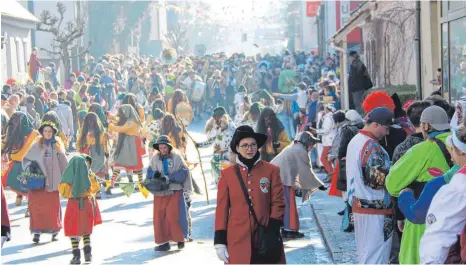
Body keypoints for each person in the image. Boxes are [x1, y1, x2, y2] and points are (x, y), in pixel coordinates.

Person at [386, 105, 452, 264]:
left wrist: (407, 193)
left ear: (426, 126)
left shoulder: (423, 149)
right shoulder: (458, 144)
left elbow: (392, 184)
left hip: (424, 222)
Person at [214, 125, 286, 264]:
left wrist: (273, 228)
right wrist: (220, 241)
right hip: (237, 238)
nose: (249, 149)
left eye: (253, 145)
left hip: (266, 234)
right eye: (245, 145)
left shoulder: (272, 170)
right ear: (237, 148)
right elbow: (221, 209)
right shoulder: (227, 175)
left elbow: (278, 202)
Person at [346, 107, 394, 264]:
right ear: (377, 125)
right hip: (376, 210)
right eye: (386, 128)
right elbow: (377, 181)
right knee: (377, 257)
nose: (387, 134)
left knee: (366, 255)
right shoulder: (372, 146)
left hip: (360, 205)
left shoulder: (356, 141)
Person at [419, 124, 466, 263]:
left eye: (451, 149)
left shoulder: (459, 186)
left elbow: (439, 233)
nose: (451, 157)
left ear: (462, 152)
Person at [271, 131, 325, 238]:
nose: (312, 147)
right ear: (307, 144)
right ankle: (290, 230)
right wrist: (319, 185)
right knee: (288, 204)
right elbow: (307, 172)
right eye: (312, 145)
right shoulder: (301, 151)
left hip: (277, 177)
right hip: (281, 178)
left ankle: (286, 228)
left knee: (283, 204)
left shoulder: (295, 147)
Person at [23, 121, 68, 243]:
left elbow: (64, 163)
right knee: (36, 207)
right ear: (42, 132)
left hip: (52, 183)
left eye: (50, 131)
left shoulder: (57, 146)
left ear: (53, 132)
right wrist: (30, 170)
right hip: (37, 183)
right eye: (45, 131)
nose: (47, 133)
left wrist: (68, 177)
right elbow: (26, 159)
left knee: (52, 207)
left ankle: (54, 230)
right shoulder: (36, 145)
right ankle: (36, 232)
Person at [150, 135, 193, 252]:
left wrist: (169, 178)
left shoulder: (177, 158)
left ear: (169, 147)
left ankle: (179, 240)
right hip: (160, 192)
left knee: (173, 215)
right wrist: (155, 175)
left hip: (174, 191)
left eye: (165, 148)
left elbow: (183, 173)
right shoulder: (154, 159)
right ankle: (164, 242)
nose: (163, 150)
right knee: (159, 218)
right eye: (160, 148)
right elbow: (150, 172)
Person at [58, 155, 100, 264]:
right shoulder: (89, 176)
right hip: (86, 204)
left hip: (73, 204)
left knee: (73, 230)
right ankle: (87, 253)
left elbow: (63, 192)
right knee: (85, 230)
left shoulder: (68, 178)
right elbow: (95, 188)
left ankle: (76, 256)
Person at [2, 112, 40, 207]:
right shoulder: (34, 133)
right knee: (29, 187)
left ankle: (19, 196)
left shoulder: (11, 133)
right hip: (28, 166)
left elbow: (3, 146)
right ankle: (28, 206)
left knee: (18, 184)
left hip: (15, 166)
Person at [196, 107, 236, 184]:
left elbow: (236, 144)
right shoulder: (215, 128)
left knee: (229, 182)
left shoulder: (232, 128)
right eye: (215, 117)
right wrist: (198, 145)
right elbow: (210, 141)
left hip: (228, 158)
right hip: (217, 159)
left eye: (219, 117)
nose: (217, 119)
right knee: (219, 183)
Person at [108, 104, 145, 187]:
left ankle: (141, 182)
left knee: (137, 163)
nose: (122, 114)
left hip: (132, 143)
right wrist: (111, 117)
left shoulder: (131, 122)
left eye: (123, 112)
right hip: (128, 142)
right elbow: (118, 122)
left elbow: (122, 129)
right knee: (119, 162)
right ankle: (112, 182)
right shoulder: (129, 120)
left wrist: (109, 126)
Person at [316, 104, 337, 182]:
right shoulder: (332, 116)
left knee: (323, 158)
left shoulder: (328, 117)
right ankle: (331, 175)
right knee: (328, 159)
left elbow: (325, 130)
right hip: (331, 140)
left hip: (329, 141)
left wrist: (316, 131)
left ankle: (331, 175)